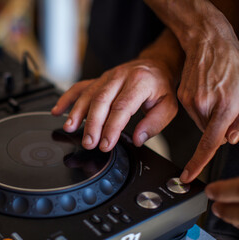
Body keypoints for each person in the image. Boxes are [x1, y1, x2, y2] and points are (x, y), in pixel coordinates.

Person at [51, 0, 239, 238]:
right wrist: (193, 38)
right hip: (127, 30)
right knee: (85, 160)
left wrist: (199, 40)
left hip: (220, 85)